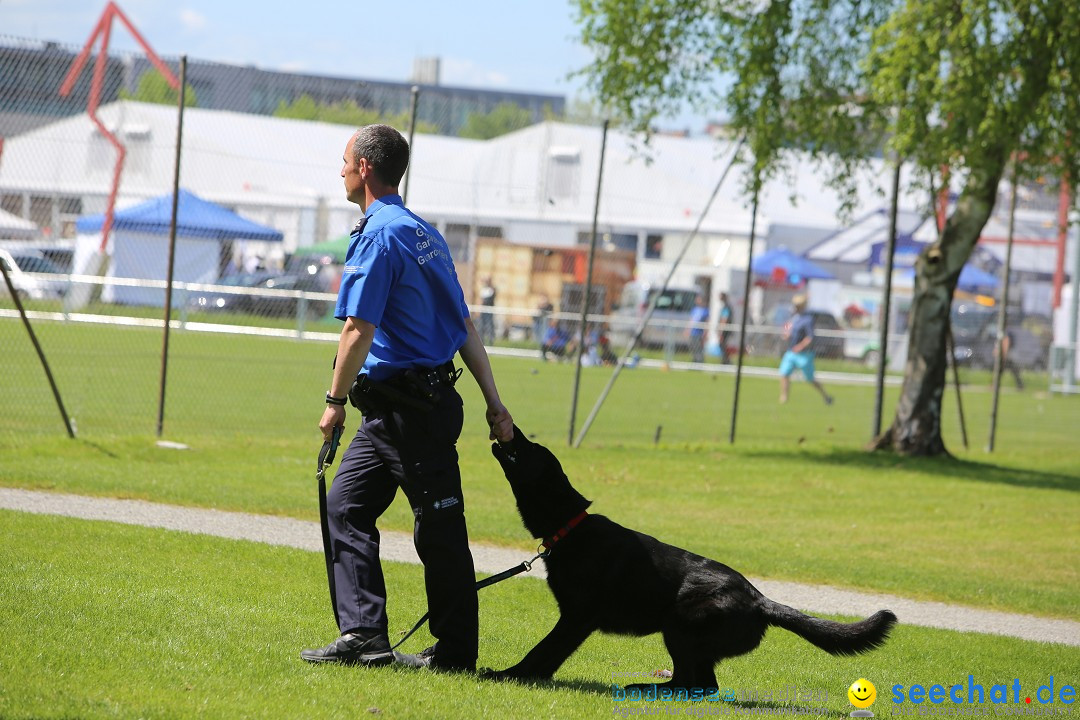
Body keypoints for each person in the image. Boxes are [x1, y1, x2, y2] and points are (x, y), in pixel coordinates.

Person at [301, 125, 514, 672]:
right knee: (347, 507)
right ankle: (365, 635)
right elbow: (463, 324)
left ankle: (456, 654)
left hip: (408, 413)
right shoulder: (424, 234)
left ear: (366, 167)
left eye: (345, 160)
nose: (341, 170)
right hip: (410, 409)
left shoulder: (380, 235)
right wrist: (494, 402)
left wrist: (334, 400)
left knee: (438, 530)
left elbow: (357, 329)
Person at [778, 295, 833, 405]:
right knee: (784, 373)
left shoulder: (808, 320)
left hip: (804, 354)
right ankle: (784, 397)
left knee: (810, 379)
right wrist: (787, 335)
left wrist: (800, 346)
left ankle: (825, 396)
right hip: (791, 352)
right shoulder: (794, 318)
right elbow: (790, 332)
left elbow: (809, 338)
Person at [686, 294, 709, 364]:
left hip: (699, 332)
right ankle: (695, 360)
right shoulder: (694, 309)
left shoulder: (705, 310)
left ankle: (699, 362)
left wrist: (705, 333)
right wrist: (687, 329)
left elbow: (707, 322)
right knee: (692, 346)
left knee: (699, 348)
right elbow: (691, 320)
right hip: (693, 331)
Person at [478, 276, 497, 345]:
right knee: (481, 326)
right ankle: (481, 341)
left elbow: (492, 294)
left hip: (489, 311)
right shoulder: (484, 290)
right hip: (483, 311)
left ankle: (490, 342)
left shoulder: (492, 289)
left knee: (490, 326)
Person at [715, 292, 733, 363]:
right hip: (724, 329)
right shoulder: (725, 306)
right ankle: (725, 360)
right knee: (722, 345)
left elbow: (724, 319)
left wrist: (720, 331)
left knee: (722, 345)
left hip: (724, 330)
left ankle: (726, 361)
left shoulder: (726, 307)